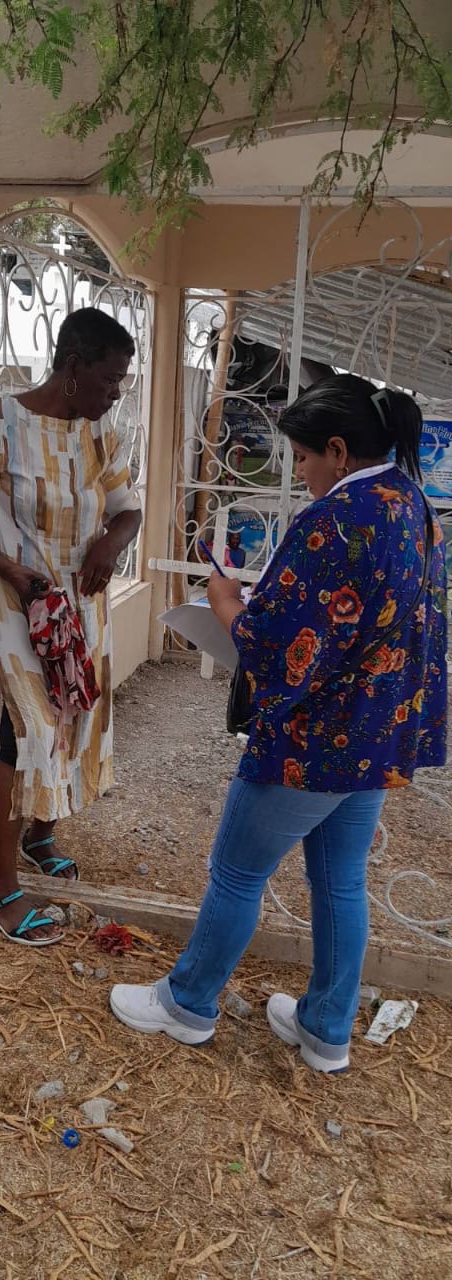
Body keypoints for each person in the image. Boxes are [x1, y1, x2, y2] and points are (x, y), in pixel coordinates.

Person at [111, 374, 448, 1071]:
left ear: (338, 450)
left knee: (236, 872)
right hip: (376, 733)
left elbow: (274, 648)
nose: (301, 473)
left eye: (303, 457)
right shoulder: (411, 503)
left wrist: (225, 600)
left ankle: (187, 1004)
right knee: (341, 881)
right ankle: (326, 1029)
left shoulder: (334, 519)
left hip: (313, 741)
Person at [0, 308, 142, 945]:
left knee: (73, 721)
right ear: (73, 367)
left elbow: (127, 510)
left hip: (82, 613)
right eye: (110, 379)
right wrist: (10, 569)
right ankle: (0, 890)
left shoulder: (99, 432)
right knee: (25, 731)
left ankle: (40, 835)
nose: (116, 393)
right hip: (20, 610)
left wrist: (110, 542)